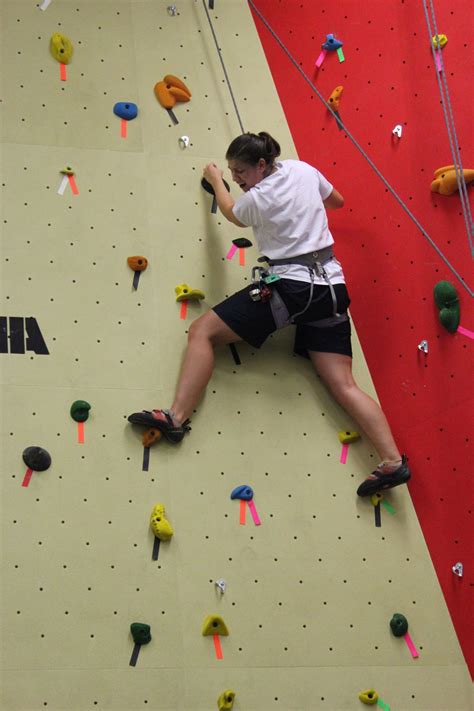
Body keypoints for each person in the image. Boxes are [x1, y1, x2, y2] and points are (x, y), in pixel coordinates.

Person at [128, 131, 410, 496]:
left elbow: (231, 214)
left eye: (240, 171)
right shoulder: (303, 169)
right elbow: (336, 201)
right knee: (343, 384)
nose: (236, 178)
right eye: (230, 172)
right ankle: (392, 461)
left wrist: (213, 178)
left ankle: (175, 418)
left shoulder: (257, 198)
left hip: (291, 288)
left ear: (262, 164)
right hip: (332, 291)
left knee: (202, 332)